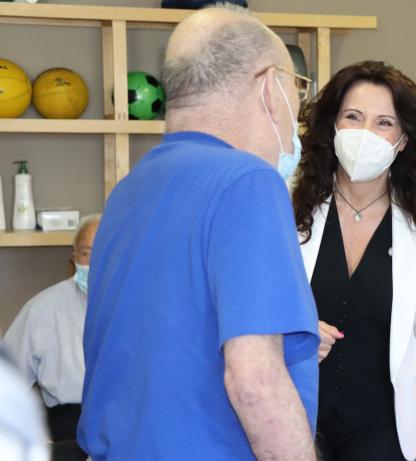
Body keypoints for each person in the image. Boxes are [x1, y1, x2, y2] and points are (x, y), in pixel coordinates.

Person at [78, 5, 319, 461]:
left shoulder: (130, 189)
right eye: (296, 91)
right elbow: (255, 383)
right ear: (270, 87)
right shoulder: (248, 181)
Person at [291, 60, 416, 460]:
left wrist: (415, 414)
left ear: (403, 139)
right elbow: (259, 306)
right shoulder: (292, 207)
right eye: (353, 117)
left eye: (383, 123)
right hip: (296, 417)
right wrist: (294, 332)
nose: (365, 133)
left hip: (382, 431)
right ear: (333, 125)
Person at [2, 214, 100, 444]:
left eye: (103, 252)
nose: (95, 263)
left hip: (128, 432)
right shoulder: (43, 308)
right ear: (74, 258)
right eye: (86, 254)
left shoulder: (141, 307)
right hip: (67, 432)